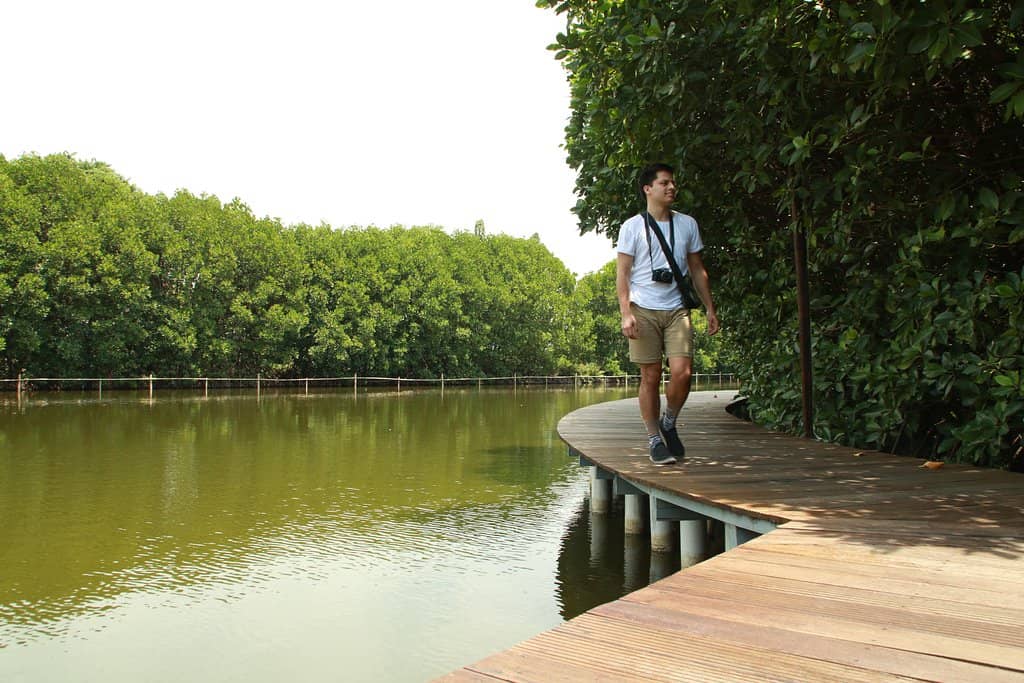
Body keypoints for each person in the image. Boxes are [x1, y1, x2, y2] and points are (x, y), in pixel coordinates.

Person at [616, 163, 720, 464]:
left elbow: (698, 269)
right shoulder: (632, 227)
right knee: (650, 375)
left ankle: (669, 421)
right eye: (664, 183)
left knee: (682, 373)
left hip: (677, 308)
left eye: (673, 183)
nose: (672, 187)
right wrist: (626, 313)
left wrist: (711, 307)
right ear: (648, 189)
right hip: (643, 308)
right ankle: (653, 440)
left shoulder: (687, 224)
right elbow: (622, 274)